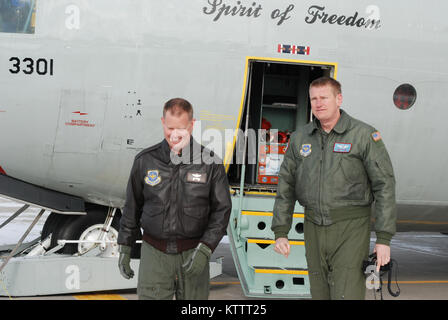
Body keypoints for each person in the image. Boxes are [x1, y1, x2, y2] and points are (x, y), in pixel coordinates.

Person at [271, 77, 396, 300]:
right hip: (313, 227)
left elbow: (384, 185)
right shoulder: (300, 138)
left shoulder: (363, 135)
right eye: (314, 99)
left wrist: (383, 239)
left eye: (324, 98)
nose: (318, 104)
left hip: (350, 228)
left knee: (345, 293)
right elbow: (286, 186)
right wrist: (281, 231)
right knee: (319, 293)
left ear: (338, 99)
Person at [117, 98, 232, 300]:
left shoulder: (211, 164)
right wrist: (125, 247)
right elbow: (132, 207)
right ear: (163, 122)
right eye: (170, 128)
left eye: (181, 129)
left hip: (193, 253)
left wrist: (205, 249)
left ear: (192, 125)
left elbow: (221, 212)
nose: (175, 135)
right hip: (155, 254)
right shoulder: (145, 160)